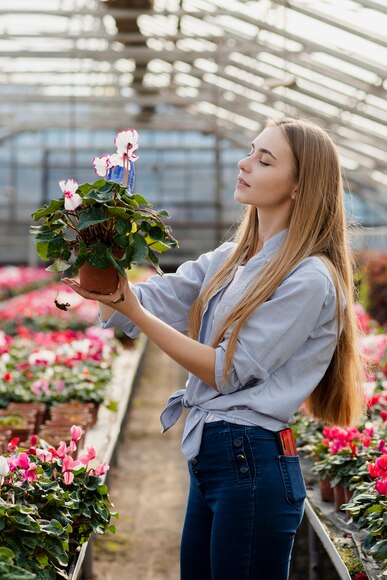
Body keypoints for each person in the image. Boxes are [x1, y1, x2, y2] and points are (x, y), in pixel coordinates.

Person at [63, 117, 364, 580]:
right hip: (218, 458)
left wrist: (135, 312)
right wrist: (98, 240)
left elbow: (227, 371)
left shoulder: (309, 277)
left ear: (301, 186)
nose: (245, 164)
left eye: (265, 160)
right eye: (250, 151)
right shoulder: (230, 259)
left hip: (253, 464)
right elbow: (146, 301)